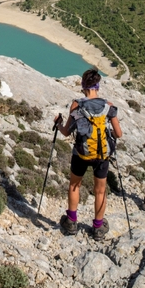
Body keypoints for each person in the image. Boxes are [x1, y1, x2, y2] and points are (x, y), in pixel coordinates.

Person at [53, 68, 123, 239]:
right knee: (100, 191)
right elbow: (119, 134)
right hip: (102, 156)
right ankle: (98, 227)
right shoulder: (108, 106)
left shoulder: (77, 105)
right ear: (98, 86)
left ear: (83, 86)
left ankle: (71, 222)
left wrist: (58, 123)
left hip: (81, 153)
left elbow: (66, 133)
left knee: (74, 185)